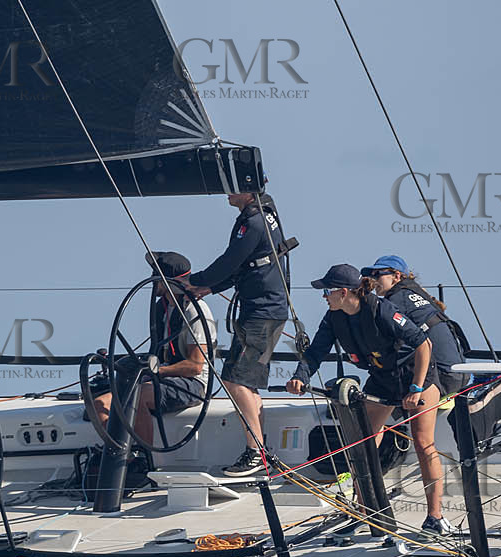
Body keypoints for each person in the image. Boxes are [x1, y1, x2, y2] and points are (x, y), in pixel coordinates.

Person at [285, 264, 454, 534]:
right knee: (362, 442)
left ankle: (435, 517)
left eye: (327, 291)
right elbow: (315, 352)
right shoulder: (333, 317)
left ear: (343, 292)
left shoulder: (382, 310)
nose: (323, 296)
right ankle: (363, 512)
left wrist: (416, 388)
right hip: (382, 378)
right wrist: (300, 377)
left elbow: (424, 344)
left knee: (423, 443)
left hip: (415, 374)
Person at [186, 191, 291, 477]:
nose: (227, 193)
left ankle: (256, 453)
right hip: (263, 310)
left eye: (233, 187)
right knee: (248, 384)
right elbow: (247, 266)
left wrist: (194, 281)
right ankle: (260, 450)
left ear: (248, 191)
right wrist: (211, 288)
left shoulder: (254, 222)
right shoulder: (263, 217)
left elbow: (231, 260)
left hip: (261, 312)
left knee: (235, 382)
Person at [88, 252, 216, 460]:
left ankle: (143, 458)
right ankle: (121, 456)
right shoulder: (161, 308)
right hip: (160, 379)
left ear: (169, 281)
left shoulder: (195, 310)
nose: (151, 279)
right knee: (98, 404)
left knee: (135, 398)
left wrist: (155, 370)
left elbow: (195, 366)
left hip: (191, 385)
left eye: (156, 274)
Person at [360, 254, 469, 398]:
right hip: (459, 375)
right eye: (372, 277)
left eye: (378, 275)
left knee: (383, 379)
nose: (374, 281)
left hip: (440, 379)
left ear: (396, 276)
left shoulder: (395, 300)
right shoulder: (417, 294)